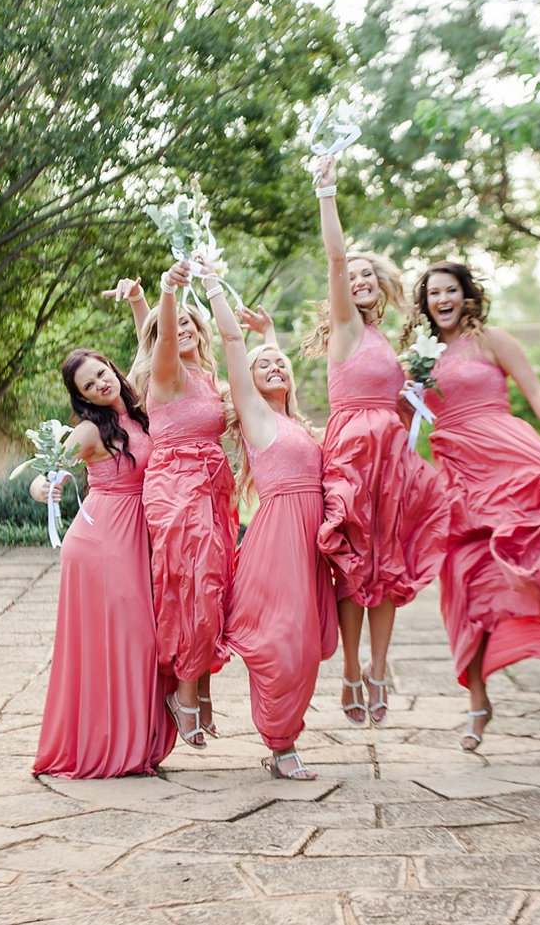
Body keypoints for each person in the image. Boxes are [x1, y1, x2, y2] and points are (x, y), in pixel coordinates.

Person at [404, 260, 540, 751]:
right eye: (433, 293)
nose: (442, 299)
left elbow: (534, 388)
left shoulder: (491, 339)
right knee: (462, 582)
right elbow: (403, 416)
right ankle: (478, 703)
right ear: (425, 304)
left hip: (506, 461)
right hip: (458, 475)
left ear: (466, 295)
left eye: (450, 290)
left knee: (529, 567)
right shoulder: (419, 356)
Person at [175, 261, 338, 778]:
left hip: (312, 541)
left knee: (307, 644)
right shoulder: (255, 413)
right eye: (262, 365)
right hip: (279, 539)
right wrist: (213, 287)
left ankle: (276, 735)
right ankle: (281, 744)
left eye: (280, 365)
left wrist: (269, 337)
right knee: (283, 641)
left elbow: (274, 361)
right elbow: (231, 342)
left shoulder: (294, 422)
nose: (272, 368)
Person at [301, 156, 448, 728]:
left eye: (368, 276)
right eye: (351, 276)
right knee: (350, 562)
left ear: (381, 287)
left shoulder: (390, 338)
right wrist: (327, 192)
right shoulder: (345, 325)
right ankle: (351, 669)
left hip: (392, 453)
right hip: (353, 451)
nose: (357, 280)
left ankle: (379, 670)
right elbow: (336, 257)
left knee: (388, 564)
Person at [30, 349, 175, 778]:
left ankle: (136, 742)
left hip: (138, 536)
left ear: (111, 367)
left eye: (100, 374)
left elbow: (152, 346)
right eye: (88, 387)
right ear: (83, 399)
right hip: (102, 541)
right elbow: (47, 472)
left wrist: (141, 299)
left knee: (141, 640)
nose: (99, 385)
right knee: (129, 641)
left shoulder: (140, 413)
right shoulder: (91, 430)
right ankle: (111, 745)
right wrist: (44, 490)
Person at [128, 265, 238, 750]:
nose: (184, 330)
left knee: (213, 585)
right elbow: (162, 334)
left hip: (213, 487)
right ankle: (186, 694)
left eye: (194, 324)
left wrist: (141, 306)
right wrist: (167, 291)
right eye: (177, 327)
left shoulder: (206, 376)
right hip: (175, 484)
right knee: (189, 584)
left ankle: (199, 687)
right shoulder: (165, 372)